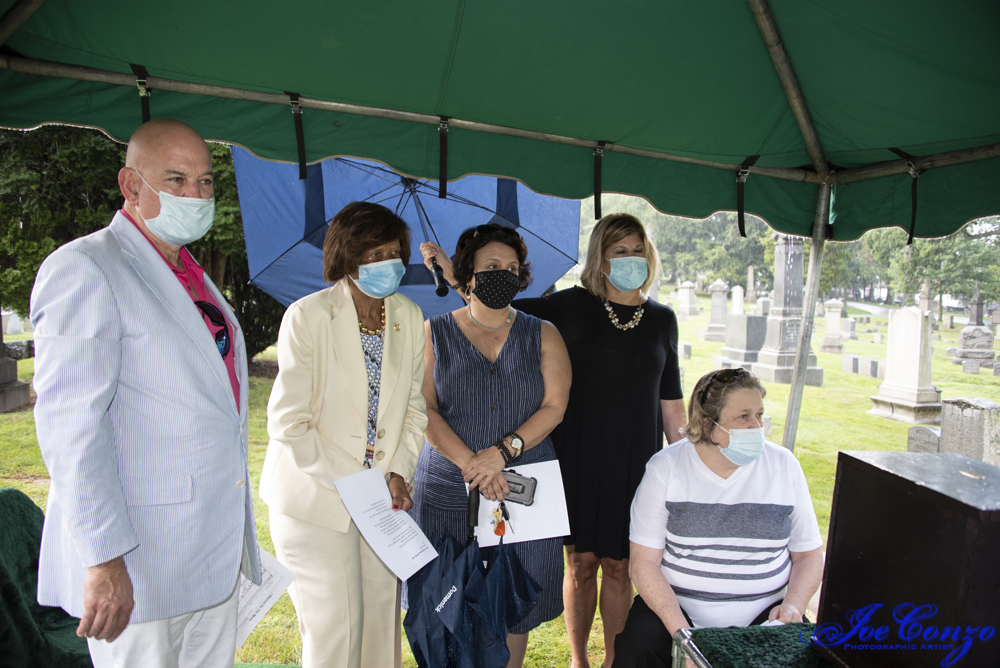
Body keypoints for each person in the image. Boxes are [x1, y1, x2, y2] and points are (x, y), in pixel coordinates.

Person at [30, 118, 261, 668]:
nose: (195, 195)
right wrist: (103, 558)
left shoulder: (191, 275)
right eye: (176, 179)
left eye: (205, 183)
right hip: (139, 562)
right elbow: (71, 430)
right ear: (130, 186)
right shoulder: (86, 267)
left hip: (207, 553)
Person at [422, 212, 685, 667]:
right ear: (599, 257)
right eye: (619, 251)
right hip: (578, 456)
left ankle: (613, 662)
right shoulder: (569, 306)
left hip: (635, 461)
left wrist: (686, 461)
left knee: (621, 568)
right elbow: (495, 311)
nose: (630, 259)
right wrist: (454, 271)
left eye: (637, 250)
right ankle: (580, 660)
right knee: (581, 565)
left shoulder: (663, 319)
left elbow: (671, 399)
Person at [260, 202, 427, 668]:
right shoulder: (308, 316)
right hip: (315, 501)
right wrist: (361, 482)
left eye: (393, 252)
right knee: (338, 634)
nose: (386, 263)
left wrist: (397, 471)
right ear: (348, 259)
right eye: (373, 254)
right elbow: (290, 424)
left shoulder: (409, 316)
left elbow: (414, 409)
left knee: (378, 632)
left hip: (381, 506)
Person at [411, 223, 572, 668]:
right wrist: (472, 463)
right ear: (468, 274)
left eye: (513, 268)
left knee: (513, 606)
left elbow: (555, 406)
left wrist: (501, 453)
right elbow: (423, 409)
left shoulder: (544, 334)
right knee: (448, 600)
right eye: (493, 267)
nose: (505, 274)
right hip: (448, 490)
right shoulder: (434, 332)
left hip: (523, 490)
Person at [612, 368, 824, 667]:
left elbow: (809, 555)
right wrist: (684, 637)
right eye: (743, 417)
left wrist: (793, 606)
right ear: (707, 423)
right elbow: (644, 564)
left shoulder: (784, 465)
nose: (757, 426)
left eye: (759, 415)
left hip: (766, 615)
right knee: (638, 647)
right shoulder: (666, 467)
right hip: (677, 612)